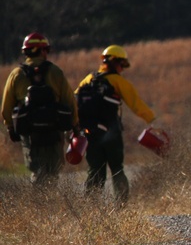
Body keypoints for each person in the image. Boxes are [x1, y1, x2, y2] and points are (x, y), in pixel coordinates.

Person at [76, 45, 156, 206]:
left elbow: (74, 103)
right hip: (112, 134)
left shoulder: (88, 80)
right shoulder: (118, 81)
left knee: (95, 170)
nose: (122, 69)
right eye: (121, 65)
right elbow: (136, 104)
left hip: (90, 133)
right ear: (115, 62)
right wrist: (152, 120)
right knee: (117, 169)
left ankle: (91, 207)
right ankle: (121, 206)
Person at [1, 32, 80, 187]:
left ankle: (38, 204)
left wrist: (10, 126)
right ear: (42, 50)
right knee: (53, 170)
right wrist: (75, 126)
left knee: (36, 169)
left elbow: (6, 106)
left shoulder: (16, 74)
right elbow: (69, 101)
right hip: (54, 129)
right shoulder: (55, 72)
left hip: (29, 131)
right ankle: (48, 203)